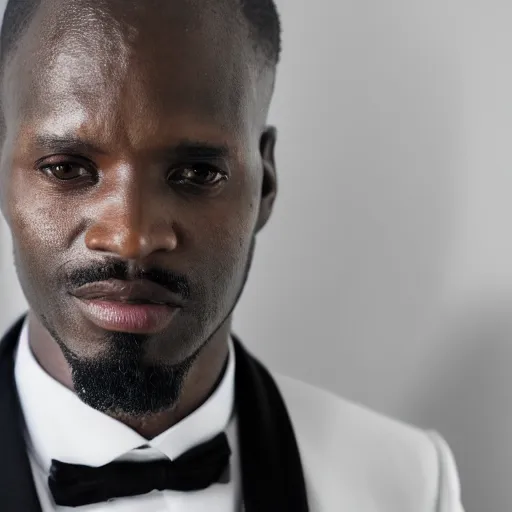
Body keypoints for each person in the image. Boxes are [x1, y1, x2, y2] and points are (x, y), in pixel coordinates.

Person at [0, 0, 465, 510]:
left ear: (264, 183)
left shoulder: (409, 481)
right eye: (67, 168)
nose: (131, 237)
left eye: (198, 173)